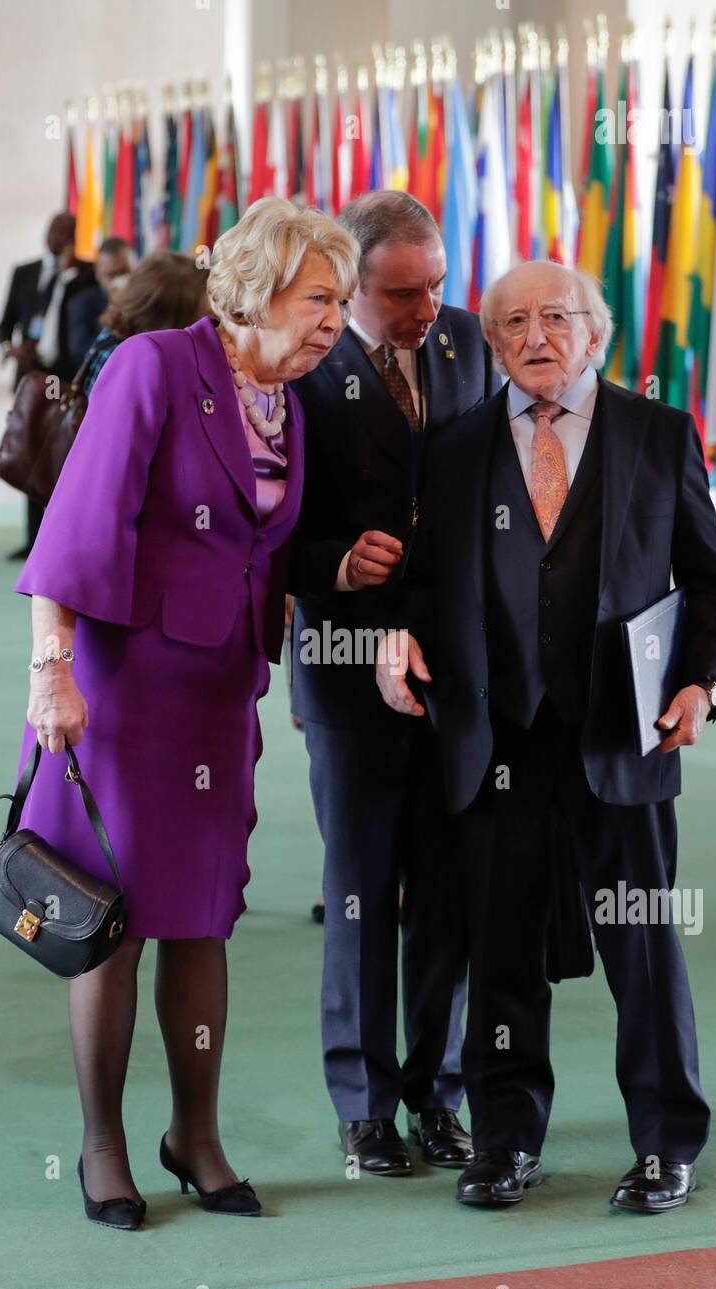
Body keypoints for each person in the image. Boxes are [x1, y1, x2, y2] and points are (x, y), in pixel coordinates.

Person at [10, 196, 359, 1230]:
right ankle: (104, 1146)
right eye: (317, 298)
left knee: (202, 920)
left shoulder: (290, 402)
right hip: (122, 691)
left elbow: (257, 546)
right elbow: (76, 528)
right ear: (253, 292)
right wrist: (52, 670)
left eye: (339, 301)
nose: (332, 320)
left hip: (218, 696)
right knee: (111, 922)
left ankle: (194, 1136)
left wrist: (324, 577)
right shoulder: (157, 367)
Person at [377, 259, 716, 1212]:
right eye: (511, 324)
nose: (534, 337)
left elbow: (713, 582)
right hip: (494, 743)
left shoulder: (659, 434)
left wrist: (703, 680)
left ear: (595, 332)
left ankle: (667, 1143)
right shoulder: (453, 449)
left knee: (643, 950)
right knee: (500, 950)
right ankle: (503, 1141)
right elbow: (425, 582)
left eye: (555, 318)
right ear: (490, 342)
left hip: (624, 739)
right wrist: (402, 632)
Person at [288, 190, 500, 1177]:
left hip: (453, 668)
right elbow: (269, 530)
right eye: (402, 292)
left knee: (447, 898)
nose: (426, 310)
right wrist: (337, 564)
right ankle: (363, 1105)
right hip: (344, 667)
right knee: (363, 891)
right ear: (354, 277)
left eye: (438, 286)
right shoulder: (306, 359)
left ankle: (437, 1093)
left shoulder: (465, 341)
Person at [0, 211, 96, 558]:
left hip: (68, 378)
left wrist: (71, 273)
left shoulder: (87, 275)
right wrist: (10, 349)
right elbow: (4, 325)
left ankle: (62, 539)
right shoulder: (25, 274)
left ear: (73, 237)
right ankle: (32, 539)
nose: (56, 238)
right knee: (30, 451)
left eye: (64, 233)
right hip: (34, 377)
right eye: (52, 231)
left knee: (64, 455)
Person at [78, 250, 208, 396]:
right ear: (169, 319)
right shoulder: (132, 365)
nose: (206, 322)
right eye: (199, 313)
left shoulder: (117, 335)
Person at [67, 236, 136, 367]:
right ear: (98, 274)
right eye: (111, 275)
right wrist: (115, 312)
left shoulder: (147, 300)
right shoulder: (81, 304)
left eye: (125, 272)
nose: (119, 280)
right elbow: (80, 355)